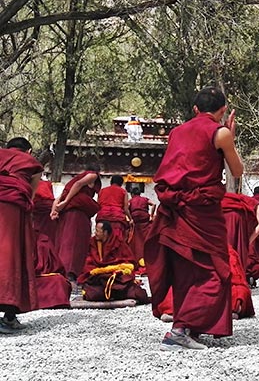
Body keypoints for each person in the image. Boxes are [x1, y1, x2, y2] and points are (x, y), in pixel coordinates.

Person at [145, 86, 244, 351]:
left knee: (185, 269)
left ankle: (189, 326)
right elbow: (237, 171)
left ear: (195, 109)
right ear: (223, 111)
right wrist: (230, 138)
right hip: (201, 210)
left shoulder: (177, 132)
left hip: (175, 210)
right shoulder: (221, 132)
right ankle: (179, 330)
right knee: (214, 271)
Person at [0, 137, 43, 333]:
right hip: (14, 211)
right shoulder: (31, 163)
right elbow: (30, 196)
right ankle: (9, 316)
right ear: (28, 151)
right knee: (12, 256)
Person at [77, 221, 149, 303]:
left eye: (97, 231)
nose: (95, 233)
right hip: (99, 276)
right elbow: (88, 260)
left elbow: (129, 261)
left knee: (135, 291)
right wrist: (97, 270)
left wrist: (117, 269)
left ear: (105, 232)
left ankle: (114, 293)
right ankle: (116, 294)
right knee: (93, 293)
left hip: (116, 275)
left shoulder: (117, 242)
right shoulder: (92, 242)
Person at [52, 166, 101, 282]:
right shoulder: (92, 175)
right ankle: (70, 271)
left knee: (65, 239)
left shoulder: (74, 179)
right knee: (74, 242)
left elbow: (59, 197)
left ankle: (61, 269)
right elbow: (78, 185)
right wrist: (65, 202)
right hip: (77, 212)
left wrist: (54, 210)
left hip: (68, 212)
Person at [128, 186, 155, 266]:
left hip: (136, 222)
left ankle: (137, 258)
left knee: (135, 242)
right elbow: (154, 204)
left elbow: (126, 208)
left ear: (132, 194)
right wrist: (151, 215)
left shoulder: (131, 200)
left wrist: (130, 218)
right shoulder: (144, 199)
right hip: (145, 221)